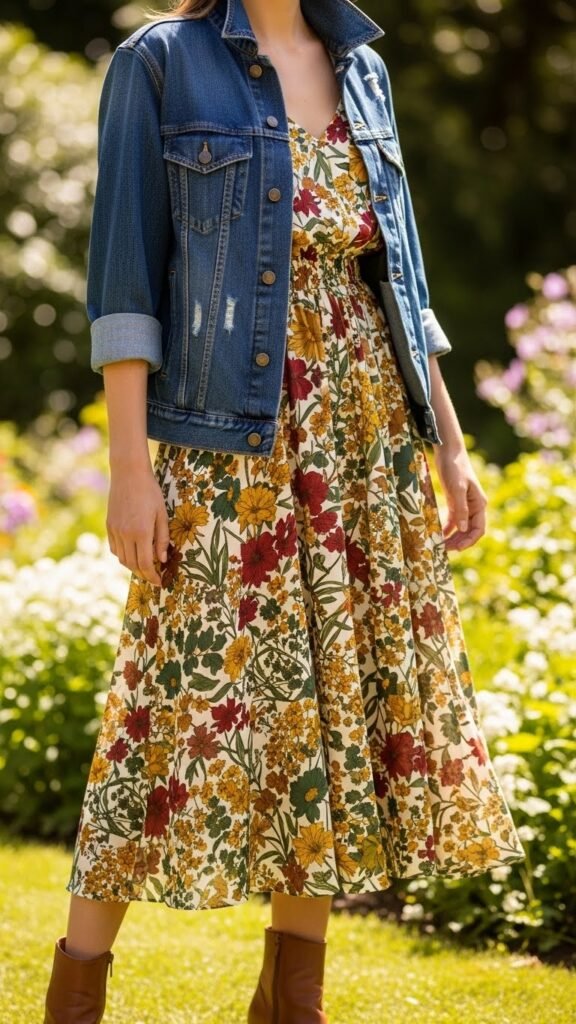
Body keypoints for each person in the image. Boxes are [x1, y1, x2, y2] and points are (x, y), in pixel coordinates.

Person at [43, 0, 526, 1021]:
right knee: (161, 714)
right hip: (231, 448)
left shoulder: (361, 68)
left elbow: (400, 279)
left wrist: (448, 441)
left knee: (333, 712)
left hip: (366, 443)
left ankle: (291, 1001)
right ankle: (75, 995)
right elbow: (126, 278)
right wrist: (131, 468)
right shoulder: (161, 64)